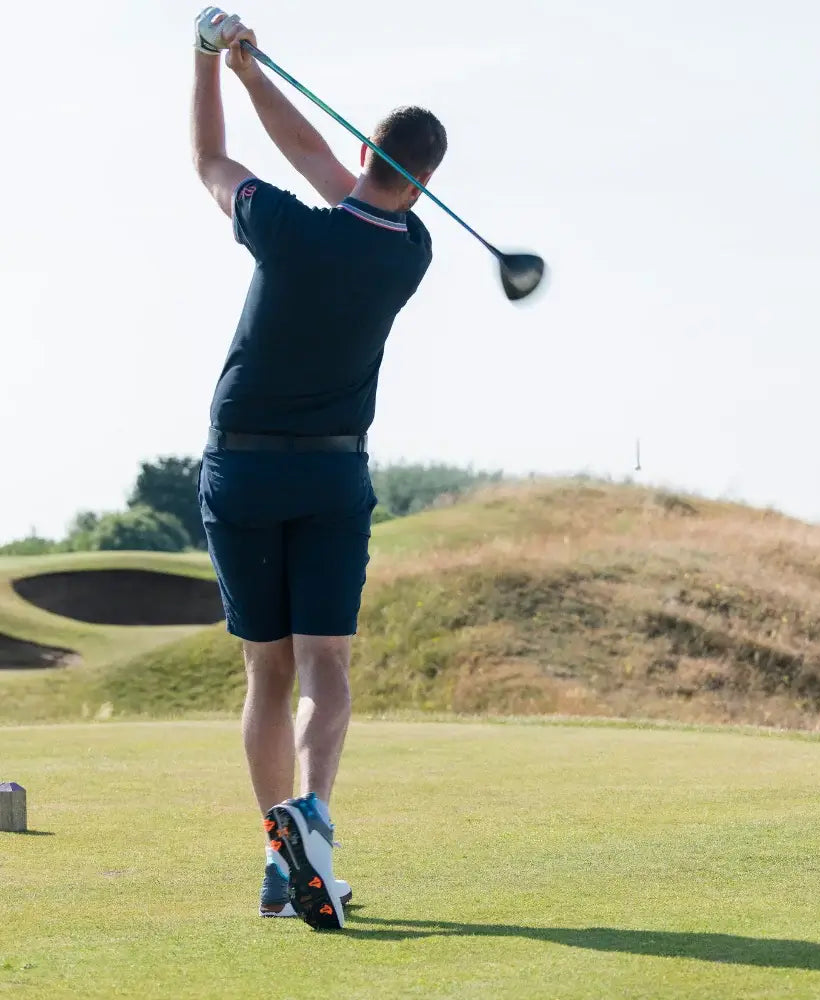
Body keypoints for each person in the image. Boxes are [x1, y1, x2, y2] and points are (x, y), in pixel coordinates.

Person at [190, 6, 447, 929]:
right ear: (422, 186)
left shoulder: (286, 229)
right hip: (336, 476)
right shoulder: (412, 251)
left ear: (366, 151)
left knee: (267, 674)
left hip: (246, 469)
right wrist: (257, 72)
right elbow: (341, 177)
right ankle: (315, 832)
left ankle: (277, 856)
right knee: (326, 667)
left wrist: (216, 65)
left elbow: (216, 164)